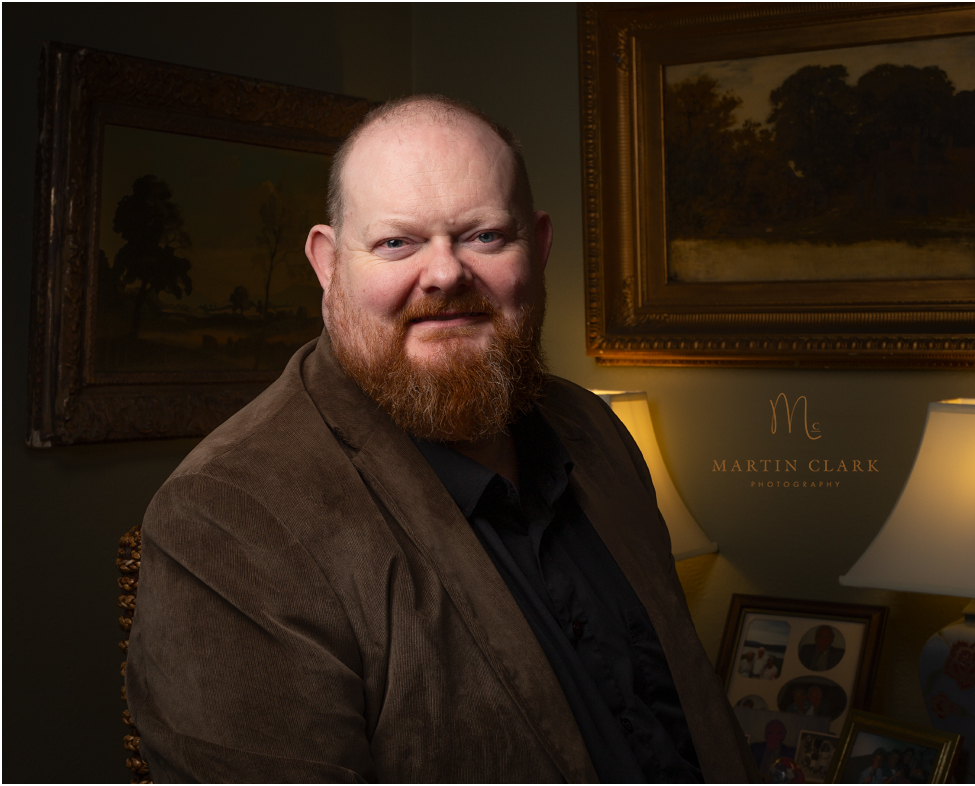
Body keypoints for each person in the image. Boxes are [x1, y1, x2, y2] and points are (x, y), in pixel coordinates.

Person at [125, 95, 756, 783]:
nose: (447, 273)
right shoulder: (228, 520)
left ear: (539, 248)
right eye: (396, 242)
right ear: (328, 264)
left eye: (484, 235)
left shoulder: (595, 430)